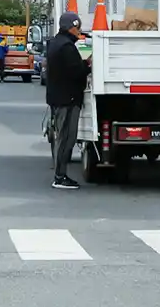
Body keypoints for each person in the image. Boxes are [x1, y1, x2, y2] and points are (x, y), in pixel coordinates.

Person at [44, 11, 91, 190]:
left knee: (62, 137)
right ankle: (60, 176)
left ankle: (60, 174)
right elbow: (76, 72)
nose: (79, 31)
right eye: (77, 28)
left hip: (58, 97)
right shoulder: (67, 47)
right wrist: (88, 65)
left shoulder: (55, 43)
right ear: (71, 27)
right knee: (67, 138)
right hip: (68, 99)